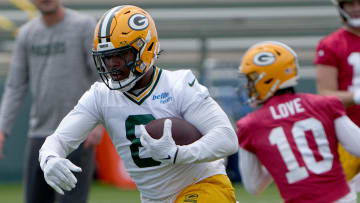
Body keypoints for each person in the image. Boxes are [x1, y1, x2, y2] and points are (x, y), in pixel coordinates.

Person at [38, 5, 238, 203]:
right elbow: (58, 140)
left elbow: (227, 138)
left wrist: (178, 153)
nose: (112, 64)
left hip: (203, 185)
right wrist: (50, 159)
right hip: (154, 198)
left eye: (121, 54)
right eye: (107, 57)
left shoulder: (179, 84)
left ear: (146, 49)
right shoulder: (100, 95)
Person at [0, 0, 104, 202]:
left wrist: (98, 123)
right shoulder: (26, 34)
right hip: (39, 134)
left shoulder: (84, 26)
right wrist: (2, 129)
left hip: (77, 134)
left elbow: (101, 75)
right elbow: (15, 86)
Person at [237, 41, 360, 202]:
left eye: (251, 79)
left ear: (267, 79)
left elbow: (253, 186)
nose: (248, 86)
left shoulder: (249, 125)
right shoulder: (325, 104)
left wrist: (280, 158)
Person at [314, 0, 360, 184]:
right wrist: (356, 96)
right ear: (342, 7)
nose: (356, 8)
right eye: (350, 4)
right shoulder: (331, 44)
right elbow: (325, 94)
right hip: (346, 134)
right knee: (336, 193)